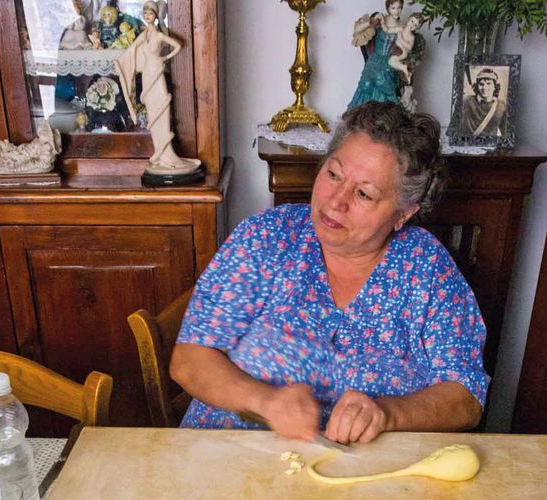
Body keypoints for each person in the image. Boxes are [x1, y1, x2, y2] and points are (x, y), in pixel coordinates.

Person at [170, 101, 488, 445]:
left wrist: (388, 413)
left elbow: (466, 397)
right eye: (334, 174)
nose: (336, 201)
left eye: (364, 194)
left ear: (403, 214)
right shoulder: (267, 237)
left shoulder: (427, 269)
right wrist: (264, 401)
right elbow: (189, 360)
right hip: (229, 460)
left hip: (362, 479)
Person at [114, 1, 201, 175]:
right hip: (147, 76)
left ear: (155, 16)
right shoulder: (143, 35)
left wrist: (165, 57)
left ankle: (168, 153)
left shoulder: (159, 36)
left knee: (163, 110)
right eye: (145, 14)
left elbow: (177, 46)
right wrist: (120, 64)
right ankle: (160, 154)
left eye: (151, 14)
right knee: (153, 113)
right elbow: (130, 52)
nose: (148, 17)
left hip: (157, 76)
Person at [348, 1, 403, 109]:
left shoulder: (403, 27)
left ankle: (387, 112)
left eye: (399, 8)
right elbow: (356, 31)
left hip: (390, 62)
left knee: (381, 78)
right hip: (374, 59)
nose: (396, 11)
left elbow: (406, 49)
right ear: (388, 8)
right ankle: (361, 115)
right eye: (393, 8)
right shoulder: (381, 20)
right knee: (367, 83)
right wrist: (371, 22)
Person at [461, 67, 507, 138]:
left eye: (488, 83)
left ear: (495, 86)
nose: (484, 87)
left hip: (490, 146)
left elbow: (505, 133)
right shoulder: (466, 101)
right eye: (481, 84)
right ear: (477, 86)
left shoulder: (501, 105)